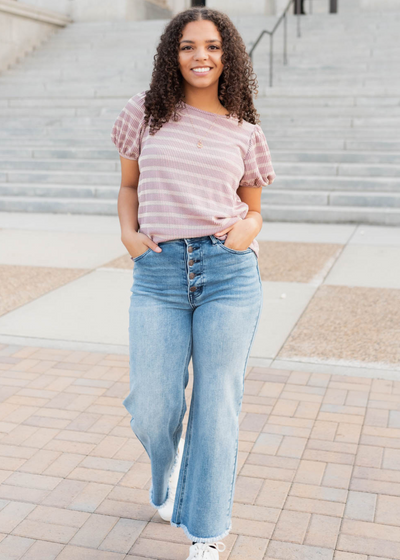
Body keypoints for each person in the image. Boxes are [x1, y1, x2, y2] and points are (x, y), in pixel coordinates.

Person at [110, 6, 276, 560]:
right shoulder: (145, 113)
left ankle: (207, 534)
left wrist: (243, 232)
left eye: (211, 46)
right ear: (171, 54)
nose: (200, 56)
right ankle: (166, 471)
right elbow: (128, 185)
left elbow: (254, 209)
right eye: (187, 46)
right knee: (154, 407)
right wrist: (129, 236)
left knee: (217, 401)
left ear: (227, 56)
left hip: (228, 273)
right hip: (158, 272)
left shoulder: (245, 128)